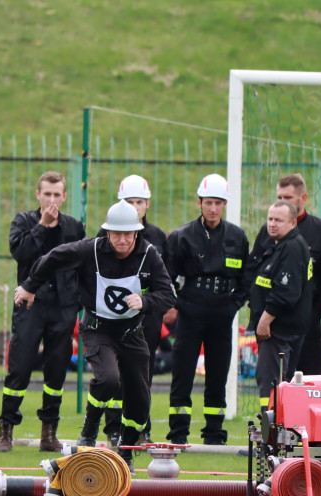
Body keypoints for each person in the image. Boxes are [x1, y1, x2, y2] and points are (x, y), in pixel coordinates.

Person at [14, 200, 174, 471]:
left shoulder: (149, 254)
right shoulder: (91, 250)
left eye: (128, 234)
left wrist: (145, 303)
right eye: (116, 234)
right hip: (98, 329)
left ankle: (126, 452)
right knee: (109, 379)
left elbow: (167, 294)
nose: (122, 240)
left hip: (133, 334)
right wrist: (29, 287)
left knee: (140, 400)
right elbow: (52, 258)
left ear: (137, 233)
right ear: (107, 233)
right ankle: (89, 430)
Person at [0, 171, 86, 453]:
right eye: (46, 194)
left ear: (65, 196)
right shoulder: (23, 221)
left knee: (56, 371)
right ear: (38, 195)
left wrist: (77, 302)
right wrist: (42, 225)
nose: (51, 200)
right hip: (30, 305)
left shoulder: (74, 227)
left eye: (57, 194)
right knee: (19, 367)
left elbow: (83, 265)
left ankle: (49, 432)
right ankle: (6, 429)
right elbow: (20, 254)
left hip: (63, 307)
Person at [163, 173, 250, 445]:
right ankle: (178, 433)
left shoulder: (237, 236)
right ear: (199, 202)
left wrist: (234, 305)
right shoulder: (181, 236)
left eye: (218, 203)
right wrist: (180, 305)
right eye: (208, 202)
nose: (213, 208)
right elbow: (166, 277)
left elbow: (246, 277)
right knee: (183, 372)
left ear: (225, 204)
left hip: (223, 313)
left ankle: (214, 433)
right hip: (191, 311)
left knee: (218, 372)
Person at [247, 174, 321, 376]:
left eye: (288, 198)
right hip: (271, 322)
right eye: (279, 197)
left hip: (306, 321)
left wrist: (316, 310)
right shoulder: (268, 231)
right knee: (274, 381)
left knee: (309, 378)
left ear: (303, 198)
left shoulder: (320, 230)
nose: (282, 202)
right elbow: (253, 269)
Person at [101, 174, 169, 447]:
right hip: (113, 317)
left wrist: (152, 304)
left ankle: (142, 427)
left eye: (139, 201)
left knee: (142, 374)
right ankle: (112, 428)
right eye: (129, 201)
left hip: (147, 318)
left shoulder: (158, 238)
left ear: (147, 204)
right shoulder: (105, 235)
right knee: (112, 375)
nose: (135, 207)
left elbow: (165, 280)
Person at [248, 200, 312, 399]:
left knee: (271, 384)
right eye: (270, 219)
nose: (272, 224)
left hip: (278, 330)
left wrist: (265, 321)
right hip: (281, 328)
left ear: (293, 223)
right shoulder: (280, 244)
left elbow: (286, 293)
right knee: (278, 383)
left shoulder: (292, 247)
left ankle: (271, 429)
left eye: (279, 220)